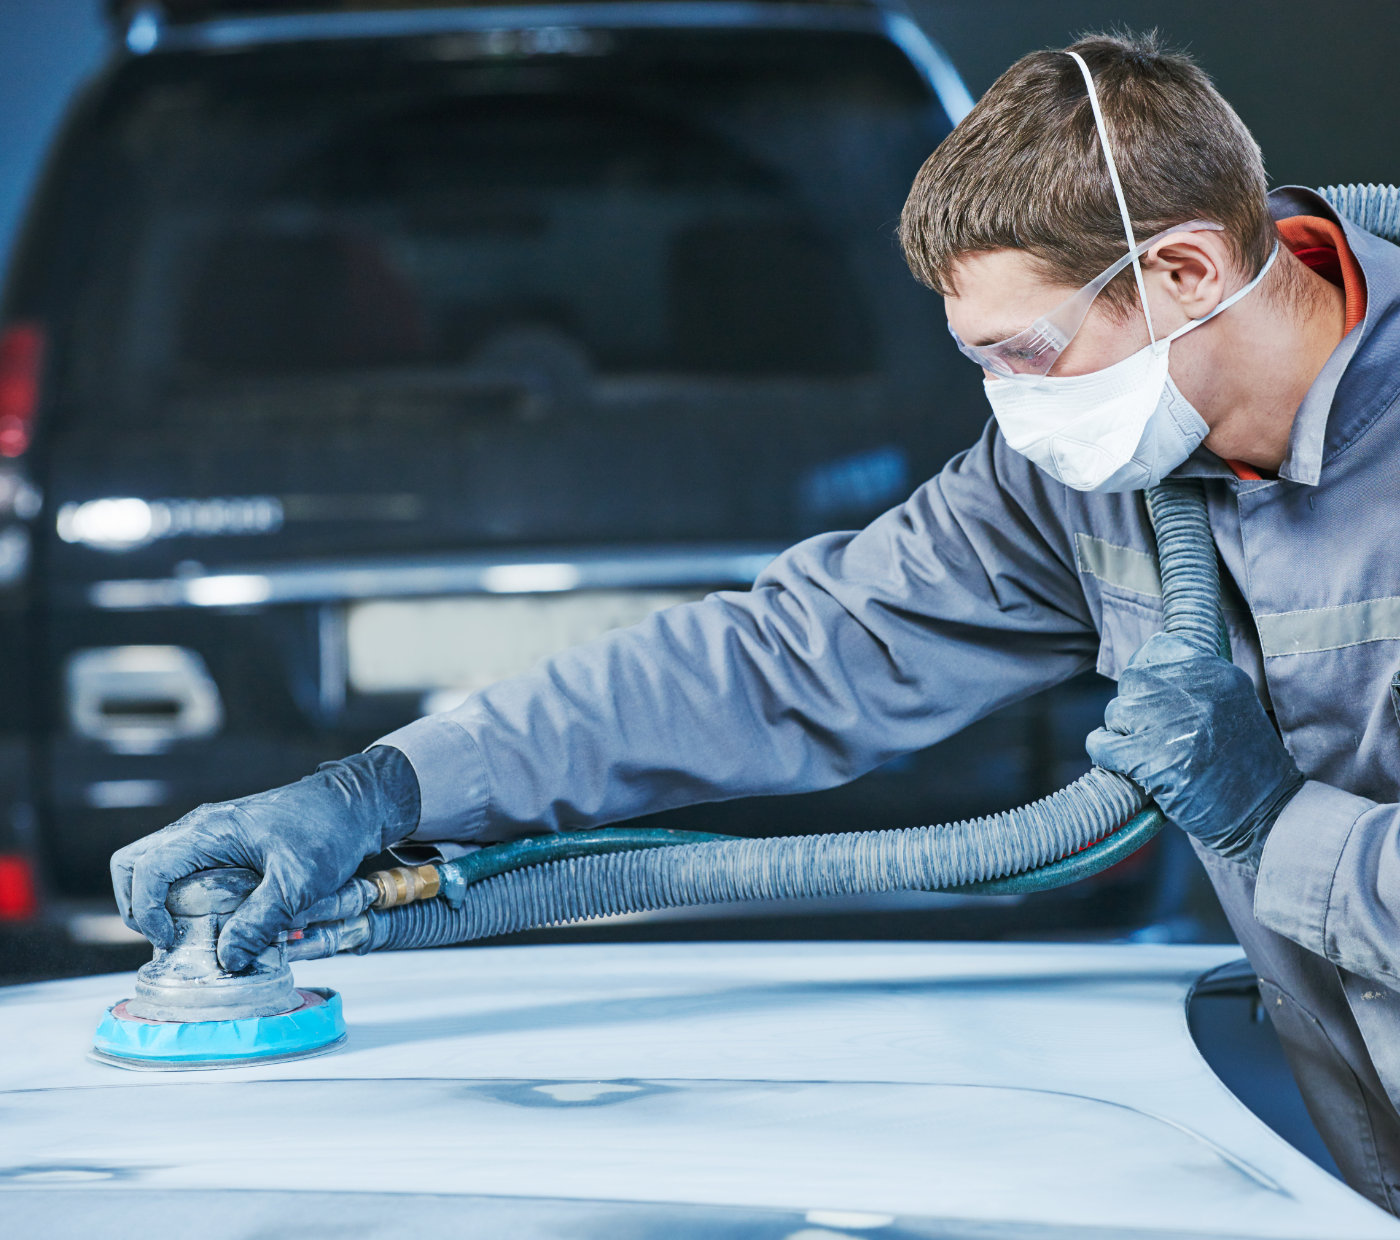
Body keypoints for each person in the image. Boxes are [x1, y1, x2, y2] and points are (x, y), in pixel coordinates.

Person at [112, 32, 1400, 1210]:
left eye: (1028, 354)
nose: (1012, 408)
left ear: (1183, 268)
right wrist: (378, 791)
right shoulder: (1093, 475)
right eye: (979, 362)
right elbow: (779, 661)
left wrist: (1281, 829)